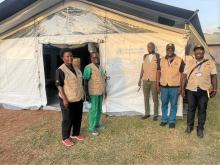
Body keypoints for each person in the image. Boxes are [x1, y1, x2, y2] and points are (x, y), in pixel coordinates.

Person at [181, 45, 218, 138]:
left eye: (201, 51)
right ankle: (189, 126)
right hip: (191, 90)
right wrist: (182, 88)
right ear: (194, 53)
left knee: (202, 110)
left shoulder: (210, 63)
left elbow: (214, 76)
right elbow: (184, 76)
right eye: (197, 51)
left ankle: (200, 128)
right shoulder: (189, 62)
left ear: (203, 53)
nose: (199, 53)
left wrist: (215, 88)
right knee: (191, 109)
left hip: (204, 90)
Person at [56, 48, 84, 147]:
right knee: (67, 119)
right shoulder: (60, 70)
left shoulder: (76, 68)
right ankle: (65, 138)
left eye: (71, 56)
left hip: (78, 98)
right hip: (67, 99)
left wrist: (83, 94)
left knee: (78, 117)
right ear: (62, 58)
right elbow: (59, 85)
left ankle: (76, 133)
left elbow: (80, 82)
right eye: (67, 56)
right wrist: (64, 99)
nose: (70, 58)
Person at [157, 43, 185, 128]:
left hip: (175, 87)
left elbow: (183, 75)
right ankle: (164, 120)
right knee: (164, 104)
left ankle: (172, 121)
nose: (170, 51)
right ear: (166, 50)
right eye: (168, 49)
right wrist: (157, 85)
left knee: (174, 104)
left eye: (171, 49)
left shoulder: (180, 60)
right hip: (163, 86)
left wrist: (181, 87)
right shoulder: (161, 60)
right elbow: (158, 72)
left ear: (173, 50)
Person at [83, 52, 106, 136]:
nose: (96, 59)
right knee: (93, 110)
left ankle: (97, 124)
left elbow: (102, 78)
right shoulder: (88, 67)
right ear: (91, 58)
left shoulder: (100, 67)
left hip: (100, 92)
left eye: (97, 57)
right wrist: (86, 94)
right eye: (94, 57)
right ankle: (92, 128)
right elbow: (85, 81)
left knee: (99, 109)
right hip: (93, 93)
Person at [138, 42, 160, 121]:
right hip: (145, 79)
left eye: (151, 46)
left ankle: (155, 114)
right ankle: (147, 113)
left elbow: (159, 69)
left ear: (154, 47)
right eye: (148, 46)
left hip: (154, 80)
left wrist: (158, 81)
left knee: (155, 98)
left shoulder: (157, 56)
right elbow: (142, 68)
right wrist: (140, 79)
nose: (149, 48)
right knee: (146, 98)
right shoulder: (145, 56)